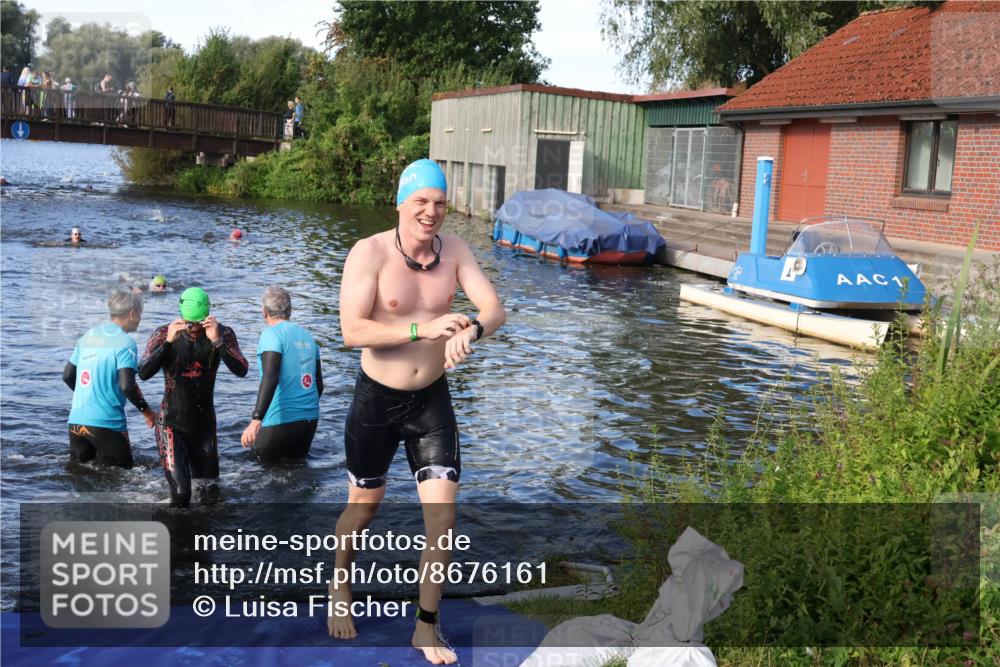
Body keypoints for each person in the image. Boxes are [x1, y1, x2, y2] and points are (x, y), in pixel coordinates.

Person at [328, 159, 506, 664]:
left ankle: (425, 628)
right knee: (363, 510)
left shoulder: (456, 253)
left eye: (440, 203)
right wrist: (418, 331)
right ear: (401, 203)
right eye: (422, 202)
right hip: (376, 401)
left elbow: (495, 309)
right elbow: (352, 330)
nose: (431, 212)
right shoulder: (371, 252)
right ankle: (340, 588)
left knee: (443, 517)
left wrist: (473, 329)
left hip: (431, 401)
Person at [138, 287, 248, 507]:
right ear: (181, 315)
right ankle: (176, 538)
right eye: (190, 322)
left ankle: (202, 540)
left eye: (199, 322)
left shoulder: (222, 333)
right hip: (171, 425)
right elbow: (143, 372)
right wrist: (168, 343)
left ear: (208, 315)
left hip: (204, 427)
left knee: (211, 495)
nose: (194, 328)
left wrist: (217, 342)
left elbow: (242, 369)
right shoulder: (163, 333)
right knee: (181, 494)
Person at [63, 288, 156, 467]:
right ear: (133, 313)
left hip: (76, 421)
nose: (140, 318)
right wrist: (147, 412)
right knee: (124, 478)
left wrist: (91, 394)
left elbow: (67, 376)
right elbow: (127, 386)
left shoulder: (87, 337)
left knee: (82, 478)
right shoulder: (125, 342)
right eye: (140, 314)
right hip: (106, 423)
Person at [240, 287, 322, 463]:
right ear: (290, 311)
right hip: (309, 421)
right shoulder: (308, 337)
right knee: (297, 472)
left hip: (279, 419)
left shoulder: (271, 334)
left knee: (259, 471)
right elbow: (319, 385)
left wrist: (256, 420)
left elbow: (270, 377)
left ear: (264, 312)